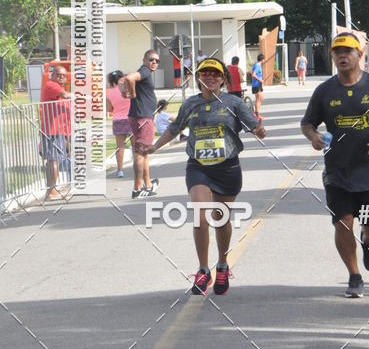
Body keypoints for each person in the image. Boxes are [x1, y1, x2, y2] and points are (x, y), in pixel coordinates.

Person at [137, 57, 266, 295]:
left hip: (227, 168)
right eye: (204, 73)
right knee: (200, 215)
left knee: (221, 219)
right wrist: (153, 148)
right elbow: (175, 129)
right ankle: (203, 269)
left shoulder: (234, 103)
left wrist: (259, 130)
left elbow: (254, 126)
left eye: (215, 74)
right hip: (199, 167)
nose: (209, 77)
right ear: (198, 78)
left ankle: (223, 264)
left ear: (223, 79)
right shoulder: (190, 104)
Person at [301, 32, 369, 298]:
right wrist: (314, 137)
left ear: (360, 55)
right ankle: (354, 275)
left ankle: (368, 240)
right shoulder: (324, 91)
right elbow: (308, 123)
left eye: (348, 51)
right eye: (337, 52)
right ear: (333, 57)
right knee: (342, 223)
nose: (342, 56)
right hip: (337, 171)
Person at [120, 49, 160, 199]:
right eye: (151, 59)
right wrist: (133, 94)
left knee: (144, 152)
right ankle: (137, 188)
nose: (154, 62)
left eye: (157, 60)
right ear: (144, 60)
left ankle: (147, 185)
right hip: (143, 118)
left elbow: (122, 80)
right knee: (140, 153)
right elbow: (129, 78)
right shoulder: (145, 71)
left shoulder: (144, 72)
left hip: (139, 116)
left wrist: (126, 92)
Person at [40, 64, 71, 201]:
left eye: (64, 75)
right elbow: (64, 95)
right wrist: (80, 96)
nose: (62, 77)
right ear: (52, 75)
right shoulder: (52, 85)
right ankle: (51, 191)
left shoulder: (59, 87)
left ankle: (52, 189)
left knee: (55, 160)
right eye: (59, 75)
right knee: (53, 160)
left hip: (60, 131)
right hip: (52, 131)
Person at [106, 69, 130, 177]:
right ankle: (138, 167)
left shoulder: (109, 92)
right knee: (135, 145)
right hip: (131, 118)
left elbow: (109, 109)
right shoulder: (128, 89)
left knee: (120, 146)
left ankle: (120, 170)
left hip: (117, 120)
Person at [251, 53, 265, 118]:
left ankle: (256, 112)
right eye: (264, 59)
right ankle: (257, 114)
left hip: (258, 84)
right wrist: (260, 80)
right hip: (256, 84)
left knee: (261, 98)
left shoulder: (256, 65)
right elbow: (253, 74)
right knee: (258, 99)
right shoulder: (257, 65)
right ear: (262, 59)